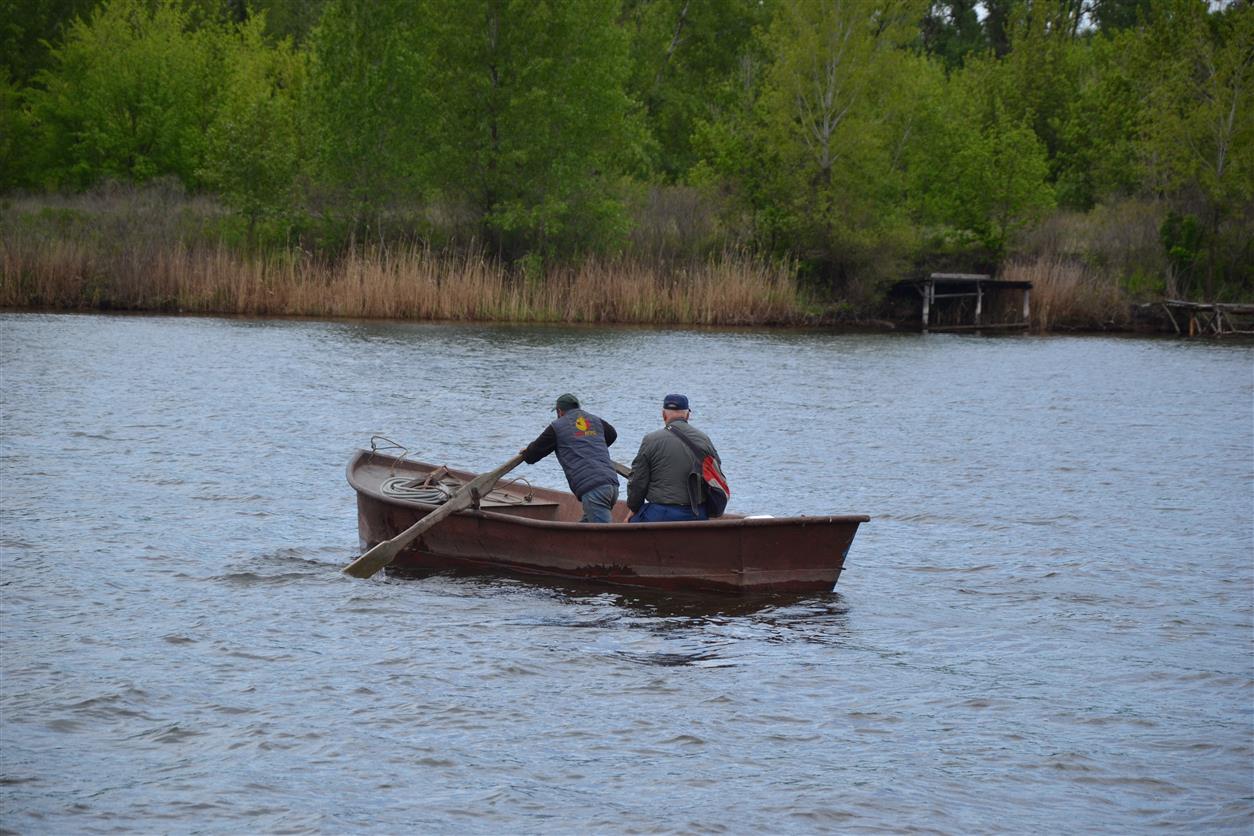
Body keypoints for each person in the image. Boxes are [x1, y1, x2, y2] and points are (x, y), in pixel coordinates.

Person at [519, 393, 620, 523]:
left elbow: (533, 455)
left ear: (559, 411)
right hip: (612, 486)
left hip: (594, 489)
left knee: (604, 536)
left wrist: (526, 452)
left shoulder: (557, 427)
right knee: (586, 526)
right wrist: (592, 443)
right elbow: (612, 435)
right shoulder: (595, 420)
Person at [627, 393, 722, 523]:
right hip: (697, 513)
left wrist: (633, 508)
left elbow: (638, 481)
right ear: (688, 415)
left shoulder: (651, 440)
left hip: (661, 513)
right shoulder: (704, 439)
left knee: (632, 526)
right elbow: (716, 473)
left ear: (663, 415)